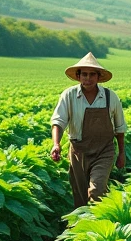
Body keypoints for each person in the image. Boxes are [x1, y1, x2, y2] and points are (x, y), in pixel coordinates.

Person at [50, 52, 126, 209]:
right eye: (84, 74)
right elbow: (58, 121)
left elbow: (119, 128)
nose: (88, 78)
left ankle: (98, 226)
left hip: (104, 150)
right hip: (79, 152)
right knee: (80, 197)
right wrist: (56, 144)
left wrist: (122, 153)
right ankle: (83, 229)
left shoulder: (110, 97)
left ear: (98, 77)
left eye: (92, 74)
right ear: (78, 76)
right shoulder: (69, 95)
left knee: (96, 191)